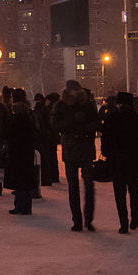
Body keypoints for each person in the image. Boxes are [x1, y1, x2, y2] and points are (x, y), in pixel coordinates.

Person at [52, 80, 100, 232]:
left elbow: (97, 123)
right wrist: (73, 120)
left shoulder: (87, 104)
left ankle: (88, 219)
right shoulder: (60, 106)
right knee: (73, 187)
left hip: (84, 148)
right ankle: (77, 220)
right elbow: (55, 126)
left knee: (89, 186)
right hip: (71, 148)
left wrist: (86, 128)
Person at [102, 93, 138, 234]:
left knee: (119, 193)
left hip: (117, 160)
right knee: (134, 191)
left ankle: (123, 223)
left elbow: (106, 138)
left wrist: (107, 153)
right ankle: (135, 219)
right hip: (134, 160)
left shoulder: (112, 117)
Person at [4, 92, 38, 216]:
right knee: (27, 180)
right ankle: (27, 206)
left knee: (18, 180)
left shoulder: (13, 121)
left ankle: (18, 205)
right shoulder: (29, 122)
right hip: (27, 153)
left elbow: (6, 134)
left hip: (16, 153)